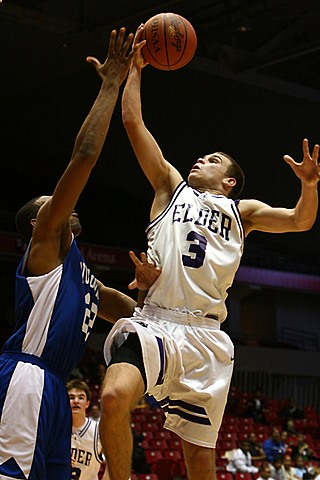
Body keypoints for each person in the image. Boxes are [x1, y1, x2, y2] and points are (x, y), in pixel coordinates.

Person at [98, 24, 320, 480]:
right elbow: (132, 124)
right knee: (114, 396)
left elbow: (300, 220)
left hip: (208, 339)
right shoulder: (169, 187)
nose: (201, 159)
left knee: (200, 459)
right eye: (202, 156)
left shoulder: (244, 211)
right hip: (158, 319)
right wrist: (135, 71)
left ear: (230, 181)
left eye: (213, 159)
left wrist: (310, 186)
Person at [0, 28, 160, 480]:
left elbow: (119, 306)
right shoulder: (46, 243)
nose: (61, 209)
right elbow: (86, 154)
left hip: (52, 384)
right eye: (51, 207)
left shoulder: (81, 274)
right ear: (38, 223)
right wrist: (112, 84)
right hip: (27, 379)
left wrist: (152, 299)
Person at [68, 379, 110, 480]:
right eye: (71, 397)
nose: (76, 401)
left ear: (87, 404)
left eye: (81, 398)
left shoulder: (98, 431)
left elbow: (116, 461)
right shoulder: (54, 429)